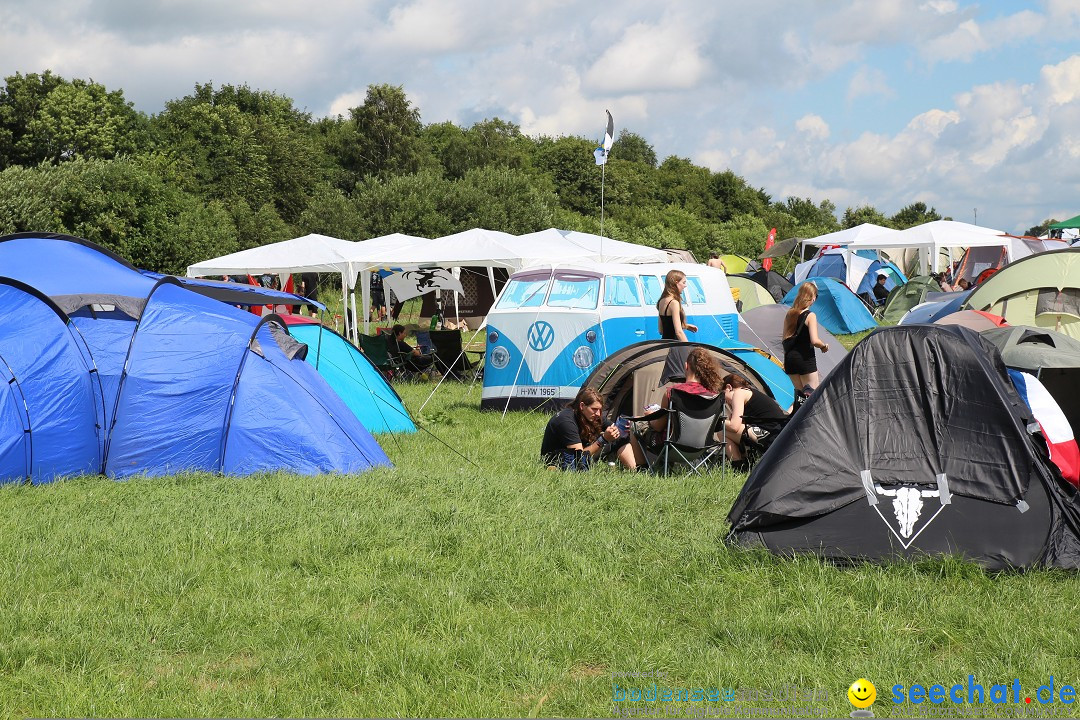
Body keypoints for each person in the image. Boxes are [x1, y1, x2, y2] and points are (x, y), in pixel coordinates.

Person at [628, 347, 723, 469]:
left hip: (671, 447)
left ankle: (642, 469)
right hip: (702, 449)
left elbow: (658, 426)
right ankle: (667, 467)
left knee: (635, 423)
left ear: (686, 366)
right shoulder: (714, 395)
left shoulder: (673, 392)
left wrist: (650, 416)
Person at [540, 387, 635, 470]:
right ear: (582, 406)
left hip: (580, 455)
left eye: (600, 410)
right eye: (594, 409)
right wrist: (603, 439)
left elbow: (614, 428)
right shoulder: (566, 421)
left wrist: (624, 428)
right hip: (559, 460)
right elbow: (578, 457)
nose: (598, 413)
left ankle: (633, 471)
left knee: (619, 438)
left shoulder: (593, 415)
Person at [721, 373, 789, 470]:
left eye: (723, 395)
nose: (725, 401)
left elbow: (734, 426)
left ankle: (739, 467)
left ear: (729, 387)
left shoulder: (739, 393)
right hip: (779, 435)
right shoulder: (750, 392)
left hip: (771, 437)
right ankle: (745, 463)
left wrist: (715, 422)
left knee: (720, 431)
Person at [782, 281, 829, 392]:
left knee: (800, 398)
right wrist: (824, 346)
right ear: (812, 298)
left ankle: (792, 410)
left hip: (790, 359)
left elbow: (784, 338)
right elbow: (814, 340)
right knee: (811, 396)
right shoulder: (810, 315)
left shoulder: (790, 314)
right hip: (805, 359)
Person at [657, 270, 698, 341]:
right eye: (683, 282)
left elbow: (661, 330)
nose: (685, 285)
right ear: (676, 283)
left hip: (664, 344)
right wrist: (687, 348)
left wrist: (686, 326)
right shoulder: (674, 303)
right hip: (675, 346)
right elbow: (678, 332)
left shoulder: (662, 301)